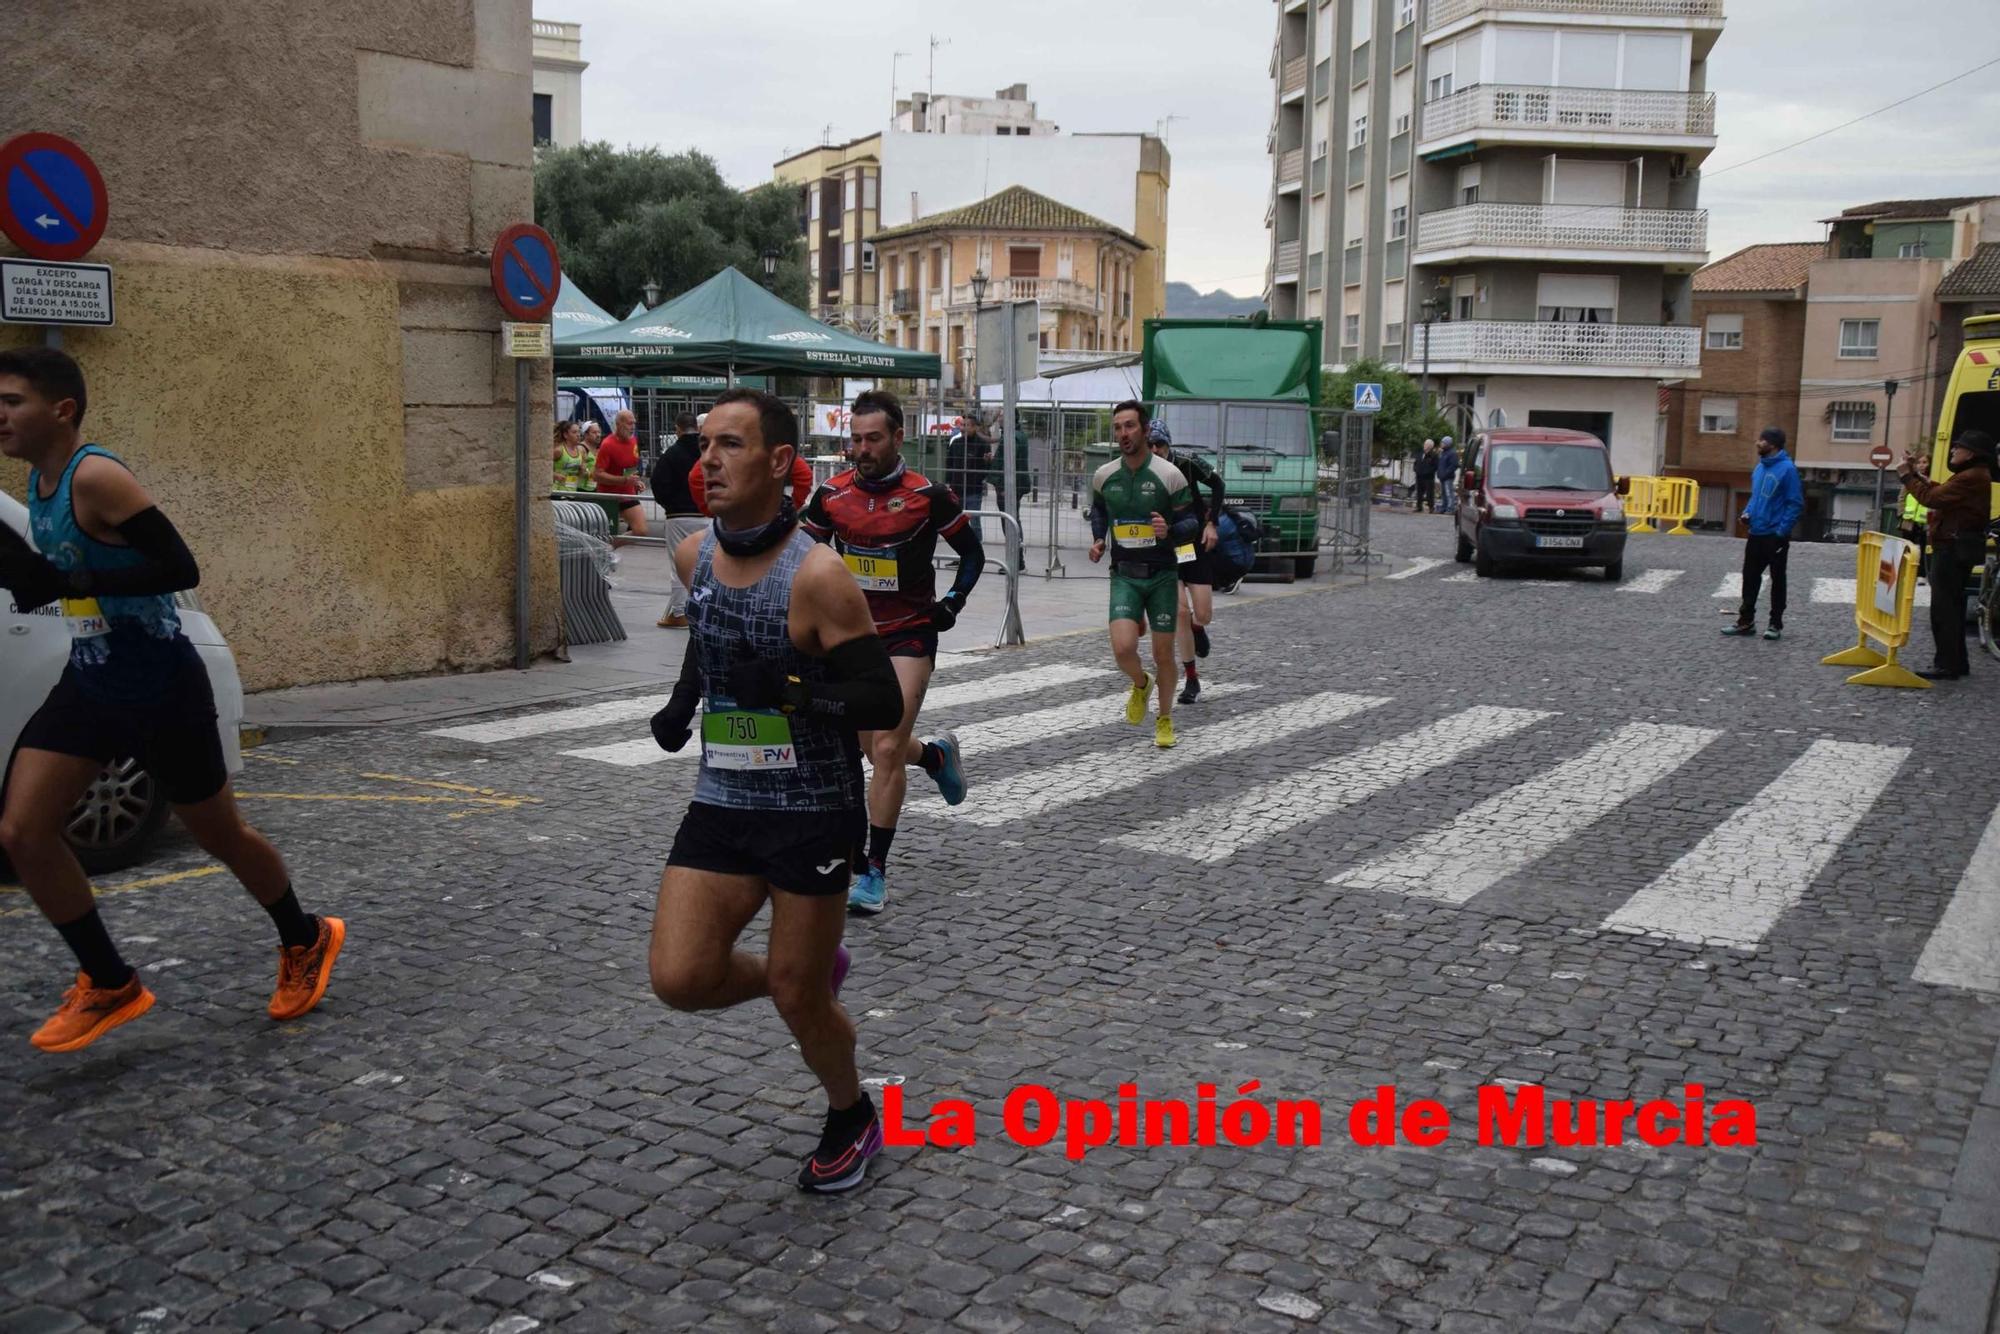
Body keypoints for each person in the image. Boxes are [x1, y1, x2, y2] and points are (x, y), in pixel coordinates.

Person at [0, 347, 344, 1053]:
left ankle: (306, 938)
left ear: (60, 410)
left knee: (221, 835)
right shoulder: (39, 480)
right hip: (93, 674)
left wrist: (70, 584)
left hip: (160, 678)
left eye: (10, 402)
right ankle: (109, 980)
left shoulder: (96, 475)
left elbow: (177, 567)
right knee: (21, 832)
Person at [645, 388, 904, 1193]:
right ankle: (810, 977)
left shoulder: (819, 577)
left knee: (797, 993)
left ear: (781, 462)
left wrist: (790, 691)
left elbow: (880, 705)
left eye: (728, 444)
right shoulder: (692, 558)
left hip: (810, 812)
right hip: (723, 799)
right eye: (702, 444)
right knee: (680, 978)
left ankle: (851, 1115)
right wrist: (684, 703)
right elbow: (715, 634)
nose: (707, 461)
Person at [801, 389, 980, 915]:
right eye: (855, 439)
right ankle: (936, 756)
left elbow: (972, 554)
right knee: (874, 747)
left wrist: (952, 602)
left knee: (883, 749)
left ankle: (873, 872)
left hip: (909, 635)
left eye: (872, 439)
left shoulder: (929, 494)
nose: (862, 448)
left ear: (898, 438)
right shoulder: (830, 495)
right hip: (853, 640)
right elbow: (805, 561)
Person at [1089, 401, 1201, 749]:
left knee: (1163, 653)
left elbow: (1192, 522)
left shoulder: (1169, 474)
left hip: (1162, 575)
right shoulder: (1105, 475)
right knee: (1123, 649)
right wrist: (1097, 539)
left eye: (1130, 426)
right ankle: (1141, 684)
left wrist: (1170, 529)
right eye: (1118, 427)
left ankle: (1164, 719)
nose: (1123, 433)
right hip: (1124, 575)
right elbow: (1098, 510)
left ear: (1145, 430)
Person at [1898, 429, 1996, 680]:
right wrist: (1918, 474)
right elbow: (1942, 490)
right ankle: (1956, 662)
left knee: (1944, 609)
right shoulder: (1973, 475)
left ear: (1970, 454)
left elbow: (1931, 498)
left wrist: (1907, 477)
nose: (1953, 450)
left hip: (1952, 548)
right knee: (1952, 606)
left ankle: (1947, 664)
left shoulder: (1970, 477)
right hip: (1954, 545)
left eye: (1958, 447)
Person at [1147, 421, 1223, 705]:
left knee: (1201, 613)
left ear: (1169, 444)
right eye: (1151, 445)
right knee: (1179, 611)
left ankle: (1198, 627)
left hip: (1194, 543)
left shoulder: (1188, 462)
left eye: (1160, 445)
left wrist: (1211, 523)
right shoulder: (1145, 471)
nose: (1156, 450)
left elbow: (1218, 484)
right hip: (1167, 549)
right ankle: (1191, 678)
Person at [1722, 427, 1804, 641]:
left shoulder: (1788, 469)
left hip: (1774, 535)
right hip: (1756, 532)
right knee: (1749, 578)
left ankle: (1775, 624)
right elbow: (1756, 497)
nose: (1757, 443)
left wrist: (1781, 531)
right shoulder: (1759, 468)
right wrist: (1747, 513)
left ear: (1773, 444)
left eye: (1762, 440)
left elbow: (1794, 503)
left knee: (1777, 580)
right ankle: (1745, 621)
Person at [651, 411, 706, 629]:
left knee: (678, 563)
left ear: (678, 429)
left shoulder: (671, 454)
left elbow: (658, 483)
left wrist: (671, 504)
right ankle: (703, 606)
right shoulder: (707, 452)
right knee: (704, 563)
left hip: (679, 516)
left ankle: (679, 612)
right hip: (706, 515)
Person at [594, 409, 651, 542]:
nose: (633, 427)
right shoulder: (607, 445)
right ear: (619, 424)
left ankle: (609, 548)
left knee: (641, 530)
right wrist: (624, 480)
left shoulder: (633, 441)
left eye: (634, 424)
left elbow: (630, 467)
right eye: (629, 424)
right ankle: (604, 549)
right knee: (604, 533)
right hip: (609, 496)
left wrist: (635, 481)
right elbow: (597, 475)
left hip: (626, 494)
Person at [553, 420, 593, 492]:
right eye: (574, 432)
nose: (578, 435)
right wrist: (555, 475)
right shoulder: (559, 450)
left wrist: (583, 471)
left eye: (579, 432)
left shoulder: (581, 451)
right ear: (565, 435)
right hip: (557, 492)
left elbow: (581, 474)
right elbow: (544, 469)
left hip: (573, 491)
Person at [1414, 441, 1439, 513]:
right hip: (1419, 476)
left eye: (1426, 444)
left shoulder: (1434, 455)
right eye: (1424, 444)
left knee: (1429, 493)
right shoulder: (1420, 453)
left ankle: (1431, 507)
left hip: (1428, 477)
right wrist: (1416, 469)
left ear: (1430, 446)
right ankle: (1419, 506)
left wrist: (1427, 472)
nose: (1424, 445)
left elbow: (1435, 466)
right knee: (1419, 493)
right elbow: (1416, 463)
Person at [1437, 437, 1460, 515]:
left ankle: (1450, 508)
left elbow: (1454, 465)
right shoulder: (1443, 453)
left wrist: (1445, 473)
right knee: (1443, 494)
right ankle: (1444, 507)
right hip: (1442, 477)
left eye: (1443, 443)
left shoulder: (1452, 453)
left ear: (1447, 444)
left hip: (1448, 477)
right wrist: (1440, 474)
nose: (1441, 444)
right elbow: (1440, 465)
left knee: (1449, 493)